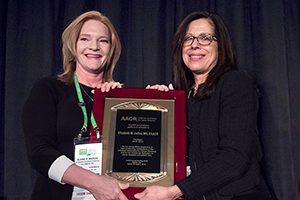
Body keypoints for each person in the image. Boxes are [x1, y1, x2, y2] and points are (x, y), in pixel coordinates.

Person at [135, 11, 274, 200]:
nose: (194, 44)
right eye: (188, 38)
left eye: (205, 38)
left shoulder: (236, 83)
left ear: (220, 45)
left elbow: (233, 158)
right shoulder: (184, 95)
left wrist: (173, 191)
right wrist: (158, 105)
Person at [22, 11, 129, 200]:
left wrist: (161, 98)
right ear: (73, 45)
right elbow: (40, 153)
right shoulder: (49, 89)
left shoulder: (121, 99)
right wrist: (95, 183)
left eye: (103, 40)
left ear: (112, 49)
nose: (94, 46)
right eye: (85, 39)